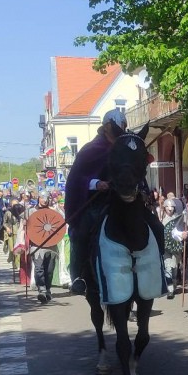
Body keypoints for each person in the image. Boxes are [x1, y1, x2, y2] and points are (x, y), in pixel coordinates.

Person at [65, 108, 128, 294]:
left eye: (123, 125)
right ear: (108, 126)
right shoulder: (92, 149)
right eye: (119, 125)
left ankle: (158, 270)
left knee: (151, 224)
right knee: (84, 230)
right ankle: (79, 275)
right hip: (98, 201)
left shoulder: (124, 146)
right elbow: (77, 178)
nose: (122, 128)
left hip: (123, 198)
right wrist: (96, 183)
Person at [25, 193, 67, 303]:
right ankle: (41, 290)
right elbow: (24, 226)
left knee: (49, 270)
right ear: (38, 198)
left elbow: (60, 223)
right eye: (42, 198)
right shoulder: (30, 211)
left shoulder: (54, 211)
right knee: (39, 269)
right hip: (37, 245)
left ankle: (48, 289)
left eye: (46, 198)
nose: (44, 200)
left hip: (51, 246)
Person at [160, 197, 184, 297]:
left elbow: (181, 231)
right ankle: (170, 289)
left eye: (172, 207)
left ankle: (173, 285)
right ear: (164, 208)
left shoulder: (178, 219)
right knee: (168, 267)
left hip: (176, 248)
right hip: (166, 248)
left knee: (174, 267)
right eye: (167, 207)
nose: (170, 209)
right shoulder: (161, 221)